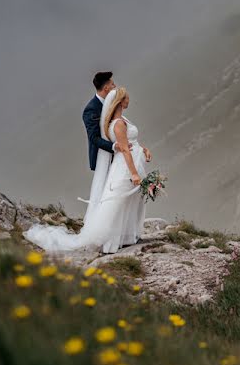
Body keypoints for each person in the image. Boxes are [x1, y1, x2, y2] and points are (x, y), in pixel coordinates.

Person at [23, 84, 152, 253]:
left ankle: (127, 235)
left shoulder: (123, 120)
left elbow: (131, 143)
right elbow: (125, 149)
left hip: (134, 162)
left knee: (131, 200)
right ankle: (108, 240)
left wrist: (144, 150)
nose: (129, 99)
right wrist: (134, 173)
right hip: (125, 167)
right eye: (126, 97)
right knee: (118, 201)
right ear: (121, 101)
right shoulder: (119, 123)